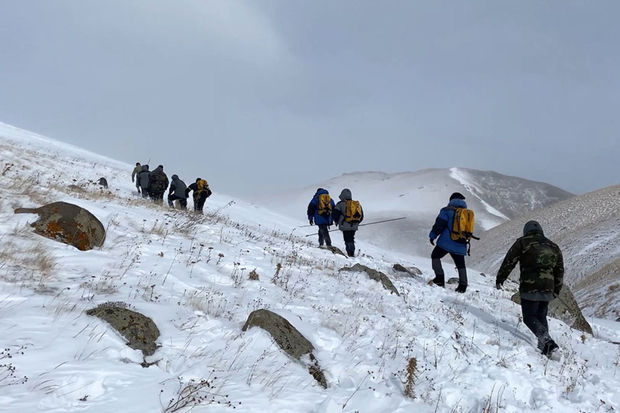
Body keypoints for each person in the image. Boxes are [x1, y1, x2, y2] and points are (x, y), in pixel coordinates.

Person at [495, 220, 564, 357]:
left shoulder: (522, 242)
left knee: (529, 317)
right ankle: (544, 348)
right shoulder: (553, 246)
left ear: (526, 231)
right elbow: (560, 270)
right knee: (540, 315)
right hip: (548, 287)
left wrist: (500, 278)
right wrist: (556, 289)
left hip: (530, 285)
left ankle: (548, 342)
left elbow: (510, 261)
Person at [428, 192, 469, 293]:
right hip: (461, 243)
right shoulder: (466, 213)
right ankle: (463, 286)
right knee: (460, 264)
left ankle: (439, 279)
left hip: (446, 242)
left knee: (435, 256)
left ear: (451, 200)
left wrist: (432, 236)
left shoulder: (446, 210)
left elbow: (439, 225)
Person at [332, 188, 363, 257]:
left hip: (345, 225)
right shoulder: (356, 204)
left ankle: (350, 254)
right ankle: (351, 252)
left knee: (347, 239)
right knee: (351, 238)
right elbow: (361, 216)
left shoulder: (340, 204)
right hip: (354, 225)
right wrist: (356, 222)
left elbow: (335, 214)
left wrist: (337, 222)